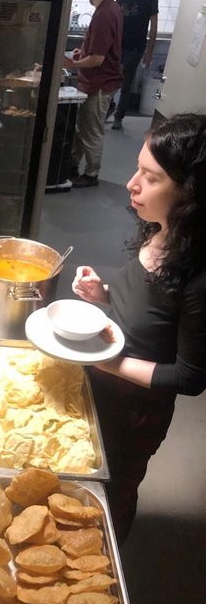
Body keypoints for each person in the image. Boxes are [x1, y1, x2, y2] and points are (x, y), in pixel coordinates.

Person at [72, 113, 206, 543]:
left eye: (150, 178)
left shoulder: (198, 274)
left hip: (136, 408)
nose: (131, 184)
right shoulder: (161, 230)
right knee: (84, 474)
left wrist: (113, 364)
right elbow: (150, 307)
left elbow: (189, 377)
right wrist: (104, 294)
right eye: (137, 169)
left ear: (188, 192)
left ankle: (106, 560)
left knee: (114, 490)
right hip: (105, 376)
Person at [63, 0, 122, 188]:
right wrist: (84, 52)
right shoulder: (110, 8)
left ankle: (91, 174)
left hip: (99, 83)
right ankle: (73, 165)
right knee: (83, 128)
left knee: (91, 131)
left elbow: (97, 59)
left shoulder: (103, 14)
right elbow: (100, 49)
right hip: (97, 81)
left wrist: (74, 63)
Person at [111, 0, 158, 130]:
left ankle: (118, 117)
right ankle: (108, 107)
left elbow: (154, 25)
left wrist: (150, 51)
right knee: (109, 77)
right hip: (117, 43)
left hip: (135, 47)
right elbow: (114, 12)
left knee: (127, 82)